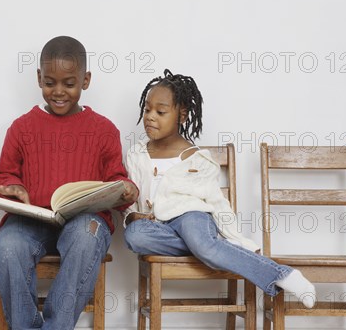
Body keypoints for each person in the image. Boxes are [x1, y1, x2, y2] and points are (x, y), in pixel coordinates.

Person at [0, 36, 137, 330]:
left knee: (87, 237)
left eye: (69, 84)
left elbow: (117, 176)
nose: (59, 91)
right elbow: (1, 177)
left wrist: (125, 189)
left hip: (83, 218)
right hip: (32, 220)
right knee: (7, 248)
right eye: (50, 82)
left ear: (85, 80)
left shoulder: (103, 129)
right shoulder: (22, 127)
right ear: (39, 78)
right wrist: (11, 188)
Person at [123, 69, 316, 308]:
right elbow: (130, 194)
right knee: (134, 235)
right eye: (147, 110)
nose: (151, 117)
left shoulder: (198, 159)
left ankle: (282, 275)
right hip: (155, 226)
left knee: (200, 239)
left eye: (160, 112)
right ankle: (213, 248)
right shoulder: (136, 154)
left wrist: (239, 239)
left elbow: (216, 202)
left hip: (191, 217)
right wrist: (132, 215)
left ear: (181, 115)